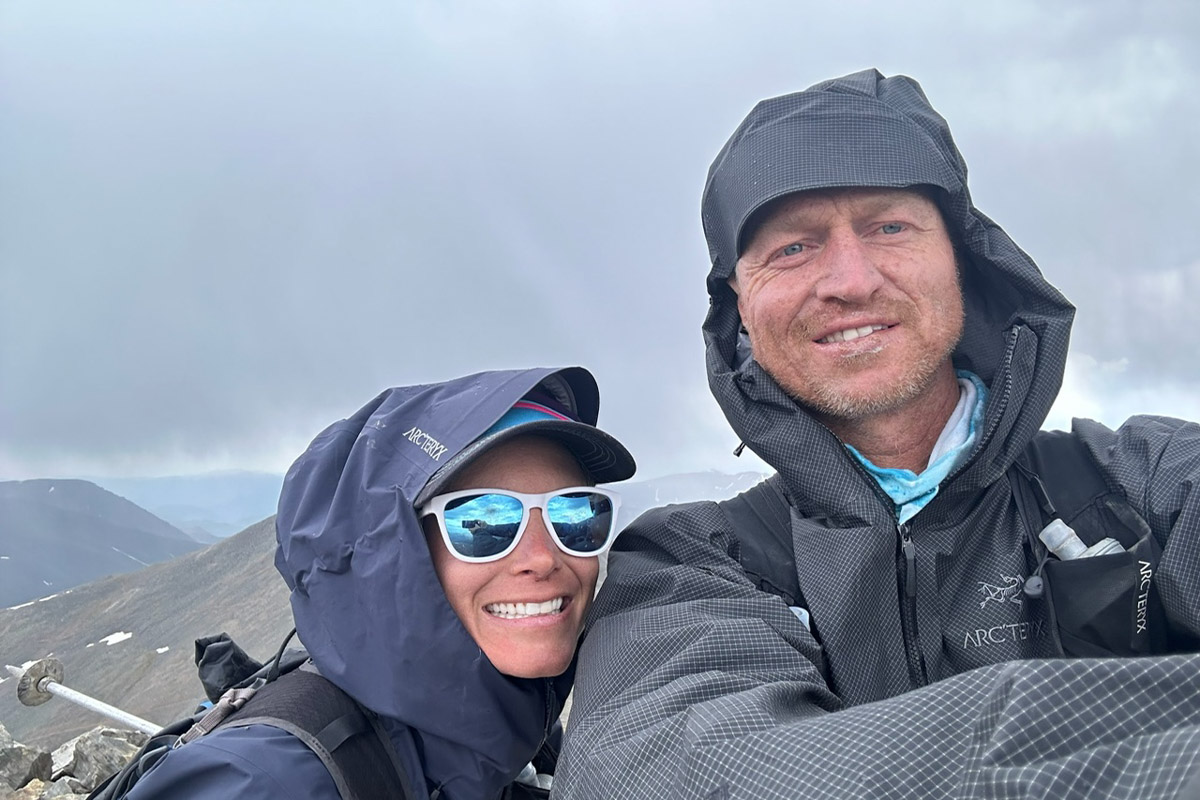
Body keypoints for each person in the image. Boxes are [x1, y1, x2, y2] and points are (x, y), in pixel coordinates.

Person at [554, 70, 1200, 799]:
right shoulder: (688, 565)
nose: (850, 281)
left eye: (889, 227)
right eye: (792, 248)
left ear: (964, 257)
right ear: (739, 304)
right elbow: (672, 776)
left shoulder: (1153, 481)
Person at [123, 366, 635, 799]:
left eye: (576, 515)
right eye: (484, 522)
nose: (545, 558)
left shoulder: (519, 724)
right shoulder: (267, 783)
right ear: (390, 555)